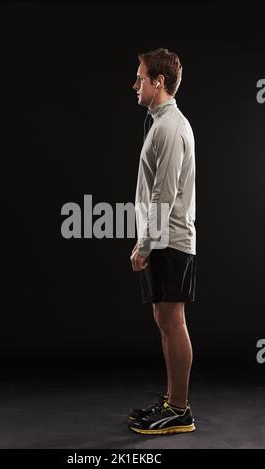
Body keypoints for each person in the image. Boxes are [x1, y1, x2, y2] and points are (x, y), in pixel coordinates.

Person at [128, 48, 196, 435]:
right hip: (163, 238)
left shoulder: (170, 127)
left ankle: (180, 410)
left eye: (140, 78)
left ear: (159, 82)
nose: (134, 84)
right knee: (165, 320)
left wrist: (144, 244)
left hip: (169, 239)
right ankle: (173, 402)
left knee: (172, 322)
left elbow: (164, 193)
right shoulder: (161, 122)